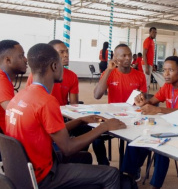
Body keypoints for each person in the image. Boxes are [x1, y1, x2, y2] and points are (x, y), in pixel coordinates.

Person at [5, 43, 126, 188]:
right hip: (44, 176)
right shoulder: (46, 101)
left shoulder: (20, 96)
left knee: (85, 157)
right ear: (55, 66)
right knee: (111, 174)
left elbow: (47, 131)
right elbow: (68, 148)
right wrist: (104, 127)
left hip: (23, 173)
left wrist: (79, 120)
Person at [122, 56, 178, 188]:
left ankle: (155, 186)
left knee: (160, 148)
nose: (166, 74)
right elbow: (152, 102)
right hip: (168, 127)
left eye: (170, 70)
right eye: (164, 70)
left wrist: (158, 109)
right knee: (136, 140)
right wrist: (143, 103)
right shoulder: (167, 87)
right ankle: (128, 177)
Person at [26, 40, 78, 105]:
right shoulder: (37, 75)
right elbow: (30, 100)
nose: (66, 55)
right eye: (61, 52)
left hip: (62, 113)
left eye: (67, 52)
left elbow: (74, 104)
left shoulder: (72, 76)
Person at [0, 40, 27, 133]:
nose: (25, 59)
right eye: (21, 56)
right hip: (8, 139)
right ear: (8, 60)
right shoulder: (2, 81)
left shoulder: (5, 79)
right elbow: (15, 113)